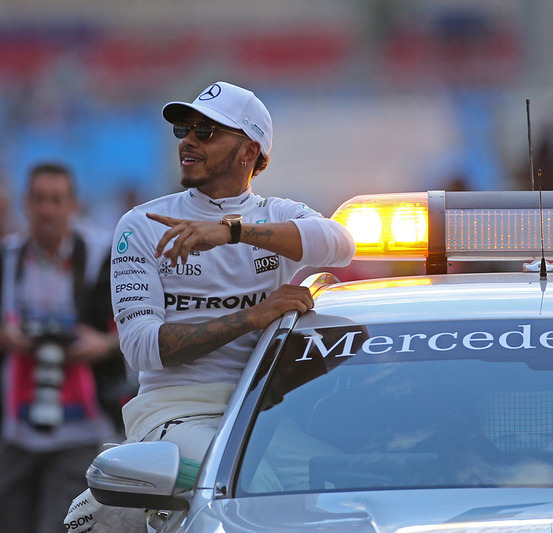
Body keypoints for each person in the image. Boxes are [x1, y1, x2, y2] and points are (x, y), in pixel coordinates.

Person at [65, 81, 355, 532]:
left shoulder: (275, 214)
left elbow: (341, 243)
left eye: (207, 131)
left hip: (262, 414)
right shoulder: (141, 224)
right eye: (186, 128)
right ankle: (115, 506)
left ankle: (122, 506)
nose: (188, 140)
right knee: (247, 491)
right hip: (172, 411)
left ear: (248, 151)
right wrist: (252, 317)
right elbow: (142, 349)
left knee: (341, 496)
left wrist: (232, 231)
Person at [0, 162, 120, 533]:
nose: (46, 209)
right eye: (38, 199)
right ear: (25, 203)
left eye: (56, 200)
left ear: (74, 205)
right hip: (15, 428)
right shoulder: (7, 257)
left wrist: (102, 345)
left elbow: (137, 327)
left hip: (82, 428)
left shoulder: (102, 255)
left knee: (57, 526)